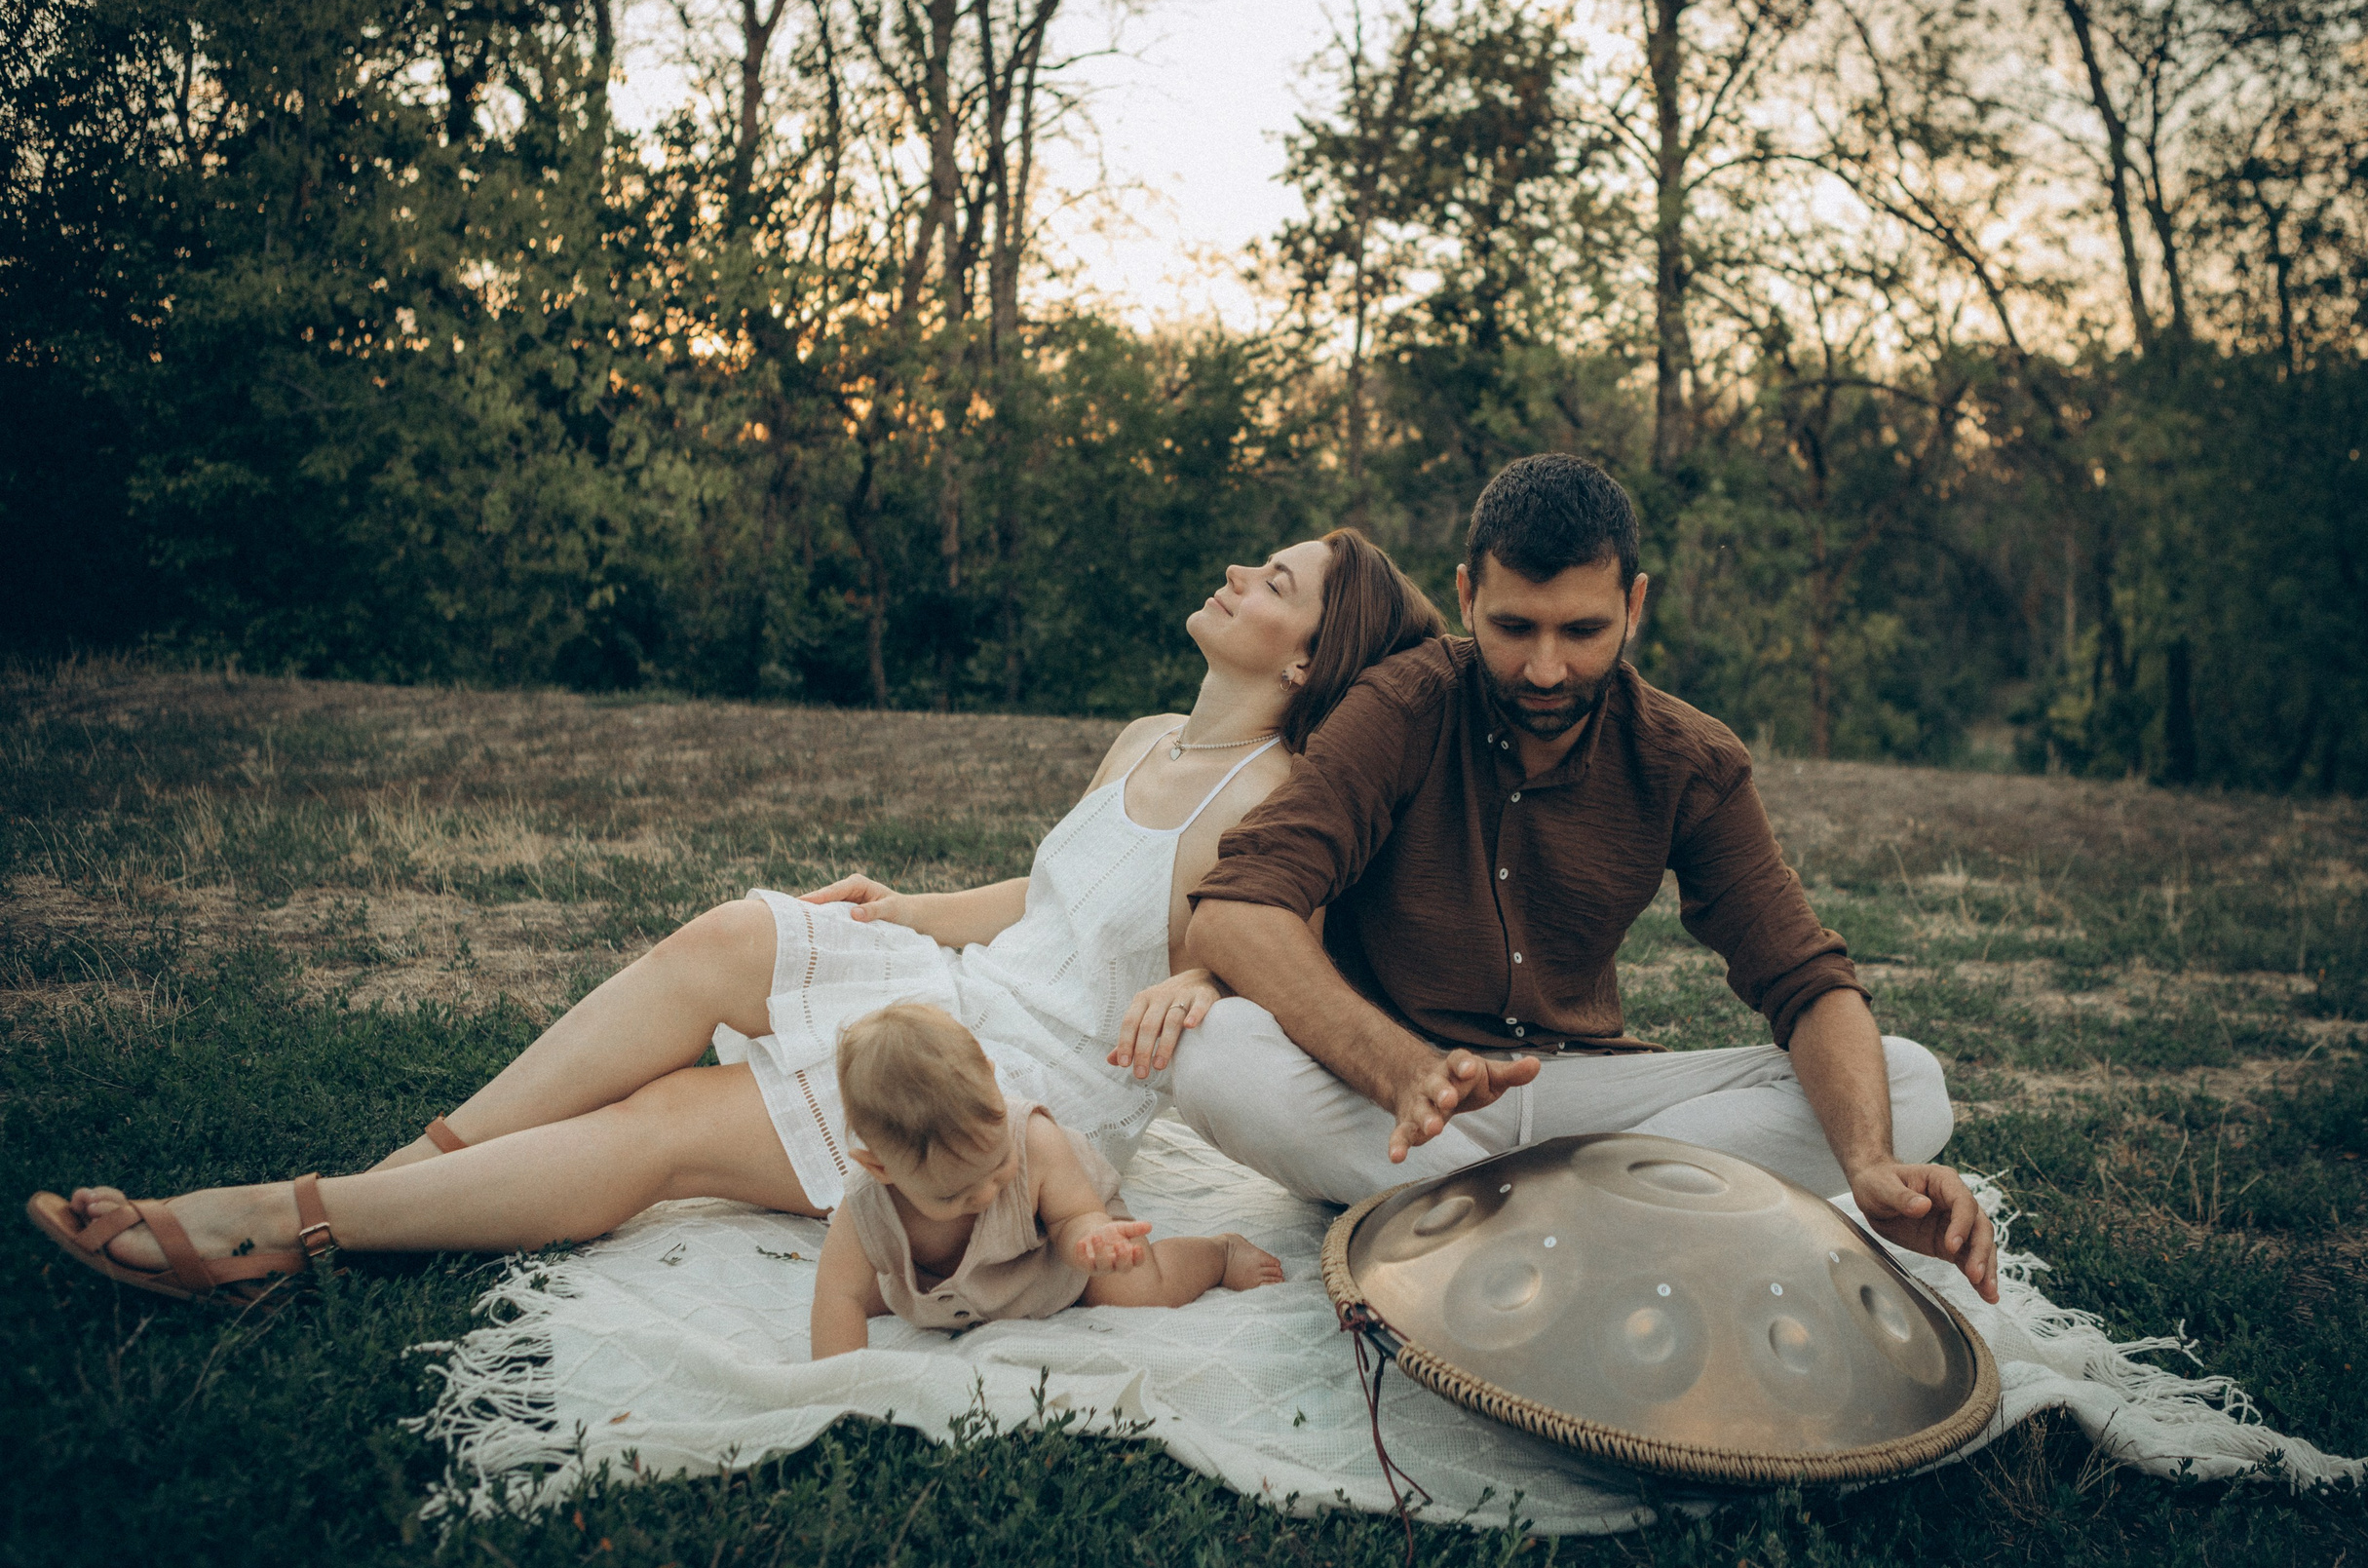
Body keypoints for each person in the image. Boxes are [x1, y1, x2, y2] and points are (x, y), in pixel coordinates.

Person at [27, 528, 1447, 1306]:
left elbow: (1252, 947)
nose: (1241, 571)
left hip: (1027, 1083)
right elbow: (1052, 892)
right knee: (732, 935)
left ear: (1316, 650)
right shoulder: (1147, 733)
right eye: (1259, 558)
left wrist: (1203, 985)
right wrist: (902, 906)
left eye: (1280, 583)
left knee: (674, 1125)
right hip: (977, 979)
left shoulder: (1274, 799)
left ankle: (297, 1221)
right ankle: (410, 1167)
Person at [1155, 455, 2002, 1302]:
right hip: (1409, 1105)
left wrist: (1871, 1165)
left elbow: (1808, 981)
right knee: (1214, 1054)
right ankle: (1601, 1220)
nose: (1547, 669)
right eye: (1515, 628)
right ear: (1465, 598)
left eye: (1583, 631)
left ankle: (1498, 1216)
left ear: (1633, 605)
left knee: (1905, 1082)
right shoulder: (1400, 703)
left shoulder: (1690, 757)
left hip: (1592, 1100)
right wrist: (1404, 1070)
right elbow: (1233, 915)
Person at [808, 1003, 1281, 1358]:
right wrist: (841, 1390)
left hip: (1056, 1250)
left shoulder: (1033, 1141)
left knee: (1134, 1288)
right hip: (951, 1290)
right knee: (861, 1295)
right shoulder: (868, 1205)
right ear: (880, 1168)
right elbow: (837, 1295)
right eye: (953, 1193)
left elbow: (1076, 1214)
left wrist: (1092, 1241)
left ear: (994, 1082)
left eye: (997, 1166)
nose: (986, 1194)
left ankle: (1219, 1254)